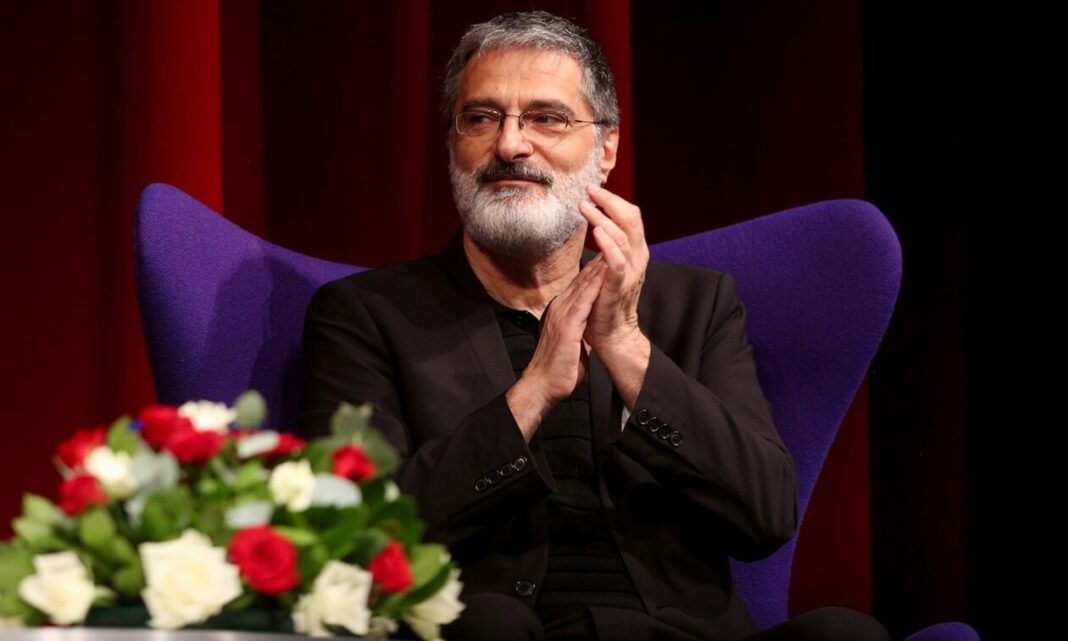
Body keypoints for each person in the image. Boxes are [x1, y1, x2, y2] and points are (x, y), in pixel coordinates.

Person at [302, 11, 889, 641]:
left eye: (547, 118)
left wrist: (626, 347)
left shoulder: (696, 306)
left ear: (606, 151)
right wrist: (532, 394)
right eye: (481, 118)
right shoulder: (368, 315)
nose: (510, 144)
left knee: (846, 634)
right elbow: (357, 540)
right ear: (453, 147)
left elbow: (766, 515)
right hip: (505, 630)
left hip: (680, 634)